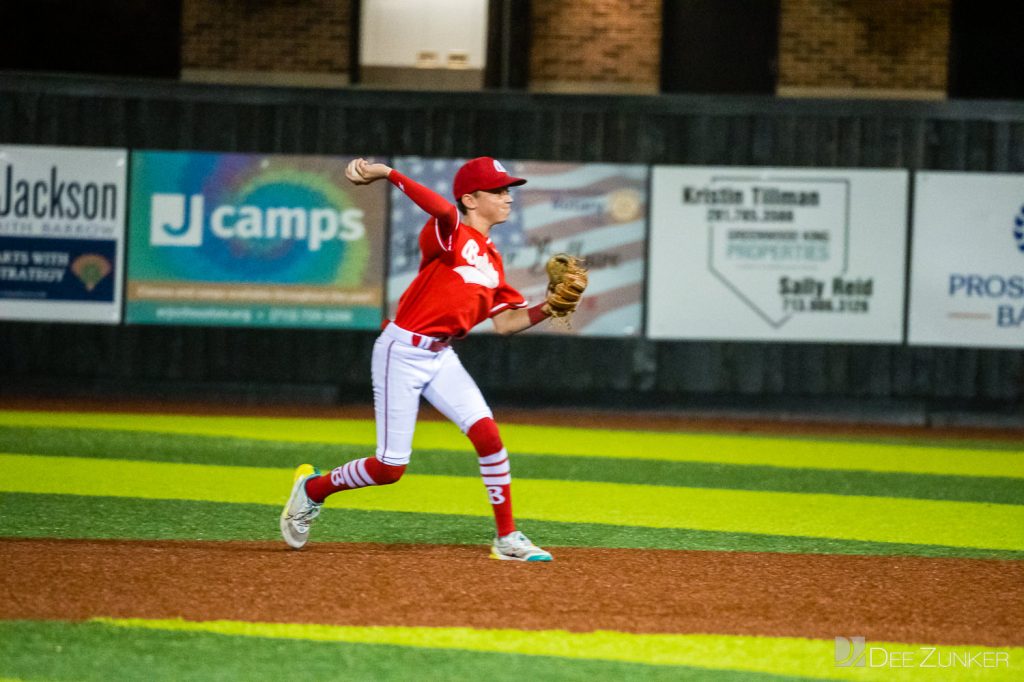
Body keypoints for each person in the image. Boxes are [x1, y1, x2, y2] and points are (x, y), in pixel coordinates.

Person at [280, 156, 567, 561]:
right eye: (499, 190)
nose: (508, 197)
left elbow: (506, 324)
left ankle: (507, 537)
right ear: (470, 199)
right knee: (389, 469)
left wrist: (549, 307)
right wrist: (386, 173)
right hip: (402, 351)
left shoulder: (492, 260)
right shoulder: (450, 232)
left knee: (488, 435)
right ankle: (313, 489)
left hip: (441, 355)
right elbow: (440, 208)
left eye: (509, 190)